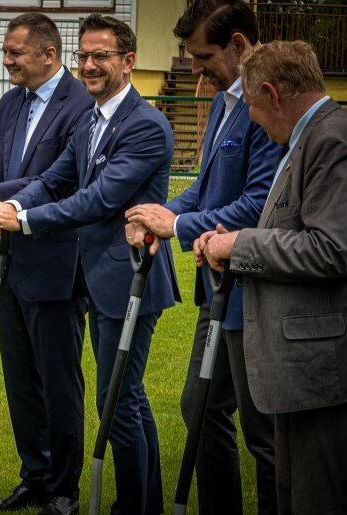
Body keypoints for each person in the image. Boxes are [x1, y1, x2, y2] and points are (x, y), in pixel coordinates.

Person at [0, 14, 180, 515]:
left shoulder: (146, 125)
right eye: (85, 56)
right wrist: (16, 205)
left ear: (128, 61)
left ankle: (134, 507)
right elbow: (54, 178)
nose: (89, 65)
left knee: (118, 402)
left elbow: (97, 200)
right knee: (121, 400)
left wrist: (22, 221)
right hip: (98, 277)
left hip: (130, 276)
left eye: (102, 56)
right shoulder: (93, 119)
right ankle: (144, 505)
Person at [125, 1, 278, 513]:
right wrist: (159, 216)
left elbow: (260, 202)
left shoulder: (268, 103)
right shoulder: (223, 101)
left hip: (255, 288)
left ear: (238, 44)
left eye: (204, 55)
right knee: (202, 405)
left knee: (264, 430)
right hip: (220, 289)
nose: (195, 68)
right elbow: (208, 190)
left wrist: (179, 226)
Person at [0, 13, 93, 512]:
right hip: (5, 261)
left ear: (48, 54)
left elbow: (64, 179)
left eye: (15, 52)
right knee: (19, 379)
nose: (6, 60)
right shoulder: (11, 102)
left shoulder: (81, 106)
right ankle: (33, 475)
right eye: (6, 52)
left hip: (56, 261)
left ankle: (63, 488)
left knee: (58, 381)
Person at [199, 40, 347, 515]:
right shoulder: (308, 136)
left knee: (315, 498)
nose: (254, 121)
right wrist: (241, 239)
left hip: (319, 367)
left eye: (253, 108)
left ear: (271, 93)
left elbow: (333, 248)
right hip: (297, 365)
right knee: (292, 494)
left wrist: (238, 245)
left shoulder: (330, 139)